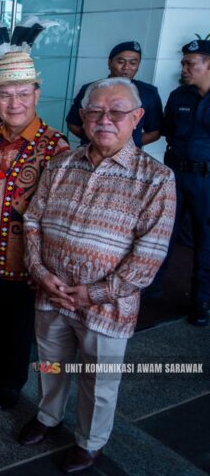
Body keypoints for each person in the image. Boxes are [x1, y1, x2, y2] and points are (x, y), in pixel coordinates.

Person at [20, 77, 176, 474]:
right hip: (51, 292)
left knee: (98, 378)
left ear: (137, 117)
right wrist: (41, 273)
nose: (105, 119)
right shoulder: (61, 164)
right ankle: (48, 415)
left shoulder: (156, 178)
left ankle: (90, 442)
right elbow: (33, 221)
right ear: (83, 117)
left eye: (117, 111)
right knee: (51, 362)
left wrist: (94, 293)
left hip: (107, 306)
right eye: (96, 111)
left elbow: (149, 255)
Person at [0, 51, 69, 410]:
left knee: (16, 325)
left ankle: (11, 383)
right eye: (5, 95)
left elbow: (57, 213)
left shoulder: (55, 146)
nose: (14, 103)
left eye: (23, 94)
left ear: (37, 94)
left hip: (22, 259)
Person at [161, 39, 210, 326]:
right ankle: (151, 289)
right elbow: (167, 130)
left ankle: (200, 301)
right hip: (176, 176)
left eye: (190, 64)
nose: (184, 69)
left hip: (206, 180)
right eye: (183, 63)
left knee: (206, 241)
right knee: (161, 233)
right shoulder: (178, 96)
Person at [66, 41, 163, 147]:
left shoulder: (149, 93)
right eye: (121, 62)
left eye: (133, 63)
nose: (126, 67)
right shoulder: (91, 89)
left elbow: (154, 132)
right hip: (90, 151)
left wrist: (126, 147)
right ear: (109, 63)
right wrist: (95, 140)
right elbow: (73, 124)